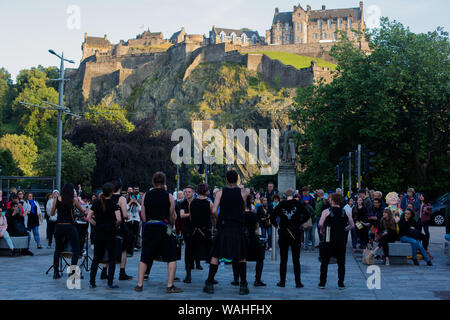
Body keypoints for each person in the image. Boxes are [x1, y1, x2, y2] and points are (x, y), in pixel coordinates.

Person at [135, 172, 183, 293]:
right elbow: (172, 216)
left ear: (153, 182)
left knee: (144, 257)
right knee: (171, 256)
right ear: (164, 183)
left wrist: (147, 223)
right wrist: (170, 227)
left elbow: (143, 215)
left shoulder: (146, 195)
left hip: (149, 227)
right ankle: (170, 285)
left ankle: (139, 284)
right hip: (163, 227)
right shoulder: (169, 196)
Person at [203, 170, 250, 295]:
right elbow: (243, 207)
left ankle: (209, 283)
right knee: (241, 255)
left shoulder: (220, 192)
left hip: (224, 226)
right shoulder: (243, 193)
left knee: (216, 254)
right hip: (237, 226)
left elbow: (213, 211)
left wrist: (218, 221)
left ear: (226, 180)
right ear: (237, 179)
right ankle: (243, 285)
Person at [270, 189, 310, 288]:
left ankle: (282, 282)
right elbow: (307, 214)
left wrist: (277, 226)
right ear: (294, 195)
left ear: (284, 195)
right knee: (296, 259)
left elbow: (272, 217)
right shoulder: (298, 203)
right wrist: (299, 222)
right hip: (295, 233)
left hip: (284, 232)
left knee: (283, 259)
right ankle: (298, 282)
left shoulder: (281, 204)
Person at [87, 182, 122, 288]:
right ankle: (110, 282)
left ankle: (92, 281)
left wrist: (96, 224)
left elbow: (88, 217)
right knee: (112, 258)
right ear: (111, 192)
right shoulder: (113, 204)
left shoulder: (96, 203)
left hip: (99, 232)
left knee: (97, 257)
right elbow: (119, 219)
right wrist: (115, 225)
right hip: (110, 232)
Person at [318, 193, 354, 289]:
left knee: (325, 261)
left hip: (329, 238)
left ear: (332, 201)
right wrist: (345, 229)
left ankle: (322, 283)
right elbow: (352, 225)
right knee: (341, 262)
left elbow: (320, 223)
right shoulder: (346, 212)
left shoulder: (326, 211)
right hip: (341, 239)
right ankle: (341, 283)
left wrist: (323, 229)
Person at [50, 183, 85, 279]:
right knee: (76, 249)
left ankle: (56, 273)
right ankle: (73, 273)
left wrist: (58, 209)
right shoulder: (73, 200)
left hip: (59, 226)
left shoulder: (57, 199)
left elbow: (52, 213)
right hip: (69, 226)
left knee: (57, 250)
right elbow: (82, 211)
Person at [233, 194, 266, 287]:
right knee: (260, 258)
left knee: (236, 258)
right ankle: (257, 279)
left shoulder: (238, 216)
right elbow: (256, 229)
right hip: (252, 239)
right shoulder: (254, 215)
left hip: (241, 240)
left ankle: (236, 279)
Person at [185, 183, 214, 284]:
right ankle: (211, 277)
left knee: (189, 254)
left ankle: (188, 276)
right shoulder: (209, 203)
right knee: (211, 255)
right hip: (205, 231)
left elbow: (191, 217)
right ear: (206, 191)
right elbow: (213, 216)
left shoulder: (192, 203)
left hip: (193, 231)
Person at [109, 180, 133, 281]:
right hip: (119, 226)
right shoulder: (121, 198)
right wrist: (128, 216)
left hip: (108, 225)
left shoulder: (107, 197)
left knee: (108, 247)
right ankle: (122, 272)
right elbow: (124, 214)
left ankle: (104, 271)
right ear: (120, 188)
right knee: (123, 249)